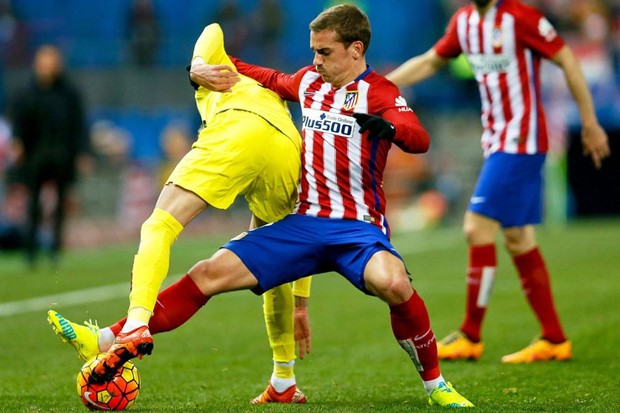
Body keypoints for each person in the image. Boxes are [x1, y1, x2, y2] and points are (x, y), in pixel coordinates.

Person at [83, 4, 474, 408]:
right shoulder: (307, 82)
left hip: (357, 228)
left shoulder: (380, 93)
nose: (315, 61)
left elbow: (418, 137)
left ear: (355, 50)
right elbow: (251, 72)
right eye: (313, 51)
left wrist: (390, 128)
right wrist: (196, 70)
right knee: (208, 273)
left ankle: (437, 386)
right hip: (303, 223)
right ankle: (115, 336)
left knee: (393, 283)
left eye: (324, 52)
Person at [48, 23, 311, 404]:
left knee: (160, 224)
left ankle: (135, 324)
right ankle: (284, 380)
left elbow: (213, 29)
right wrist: (302, 304)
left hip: (240, 129)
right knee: (268, 269)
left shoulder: (225, 74)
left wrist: (198, 66)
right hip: (288, 148)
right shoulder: (271, 93)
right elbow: (300, 241)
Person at [386, 0, 610, 363]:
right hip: (497, 140)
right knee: (519, 238)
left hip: (521, 140)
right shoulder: (465, 21)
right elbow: (431, 60)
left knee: (477, 228)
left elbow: (566, 58)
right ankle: (554, 338)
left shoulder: (519, 17)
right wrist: (380, 83)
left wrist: (589, 122)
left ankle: (470, 335)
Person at [9, 44, 89, 268]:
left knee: (61, 203)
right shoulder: (26, 93)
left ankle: (55, 249)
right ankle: (31, 251)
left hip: (62, 155)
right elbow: (19, 122)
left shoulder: (69, 93)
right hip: (36, 155)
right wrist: (17, 143)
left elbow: (78, 124)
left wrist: (82, 152)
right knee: (33, 204)